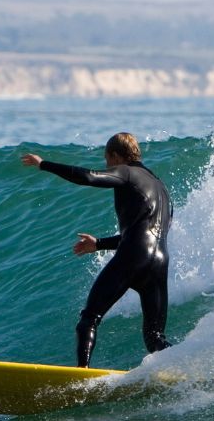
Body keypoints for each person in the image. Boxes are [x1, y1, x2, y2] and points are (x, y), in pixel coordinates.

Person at [21, 132, 172, 368]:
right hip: (159, 261)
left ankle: (82, 374)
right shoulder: (160, 187)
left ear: (114, 155)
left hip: (134, 256)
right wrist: (99, 244)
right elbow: (143, 233)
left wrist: (44, 164)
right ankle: (186, 369)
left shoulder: (126, 171)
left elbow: (89, 177)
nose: (107, 166)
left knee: (89, 318)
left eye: (107, 160)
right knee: (155, 338)